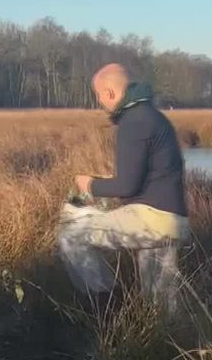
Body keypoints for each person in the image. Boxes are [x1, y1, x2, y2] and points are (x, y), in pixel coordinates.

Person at [60, 63, 189, 311]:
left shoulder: (133, 122)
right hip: (172, 220)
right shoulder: (152, 116)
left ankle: (109, 305)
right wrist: (106, 182)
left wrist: (90, 185)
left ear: (110, 93)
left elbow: (127, 187)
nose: (100, 102)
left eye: (99, 95)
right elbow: (144, 178)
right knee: (161, 306)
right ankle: (167, 331)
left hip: (151, 220)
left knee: (71, 235)